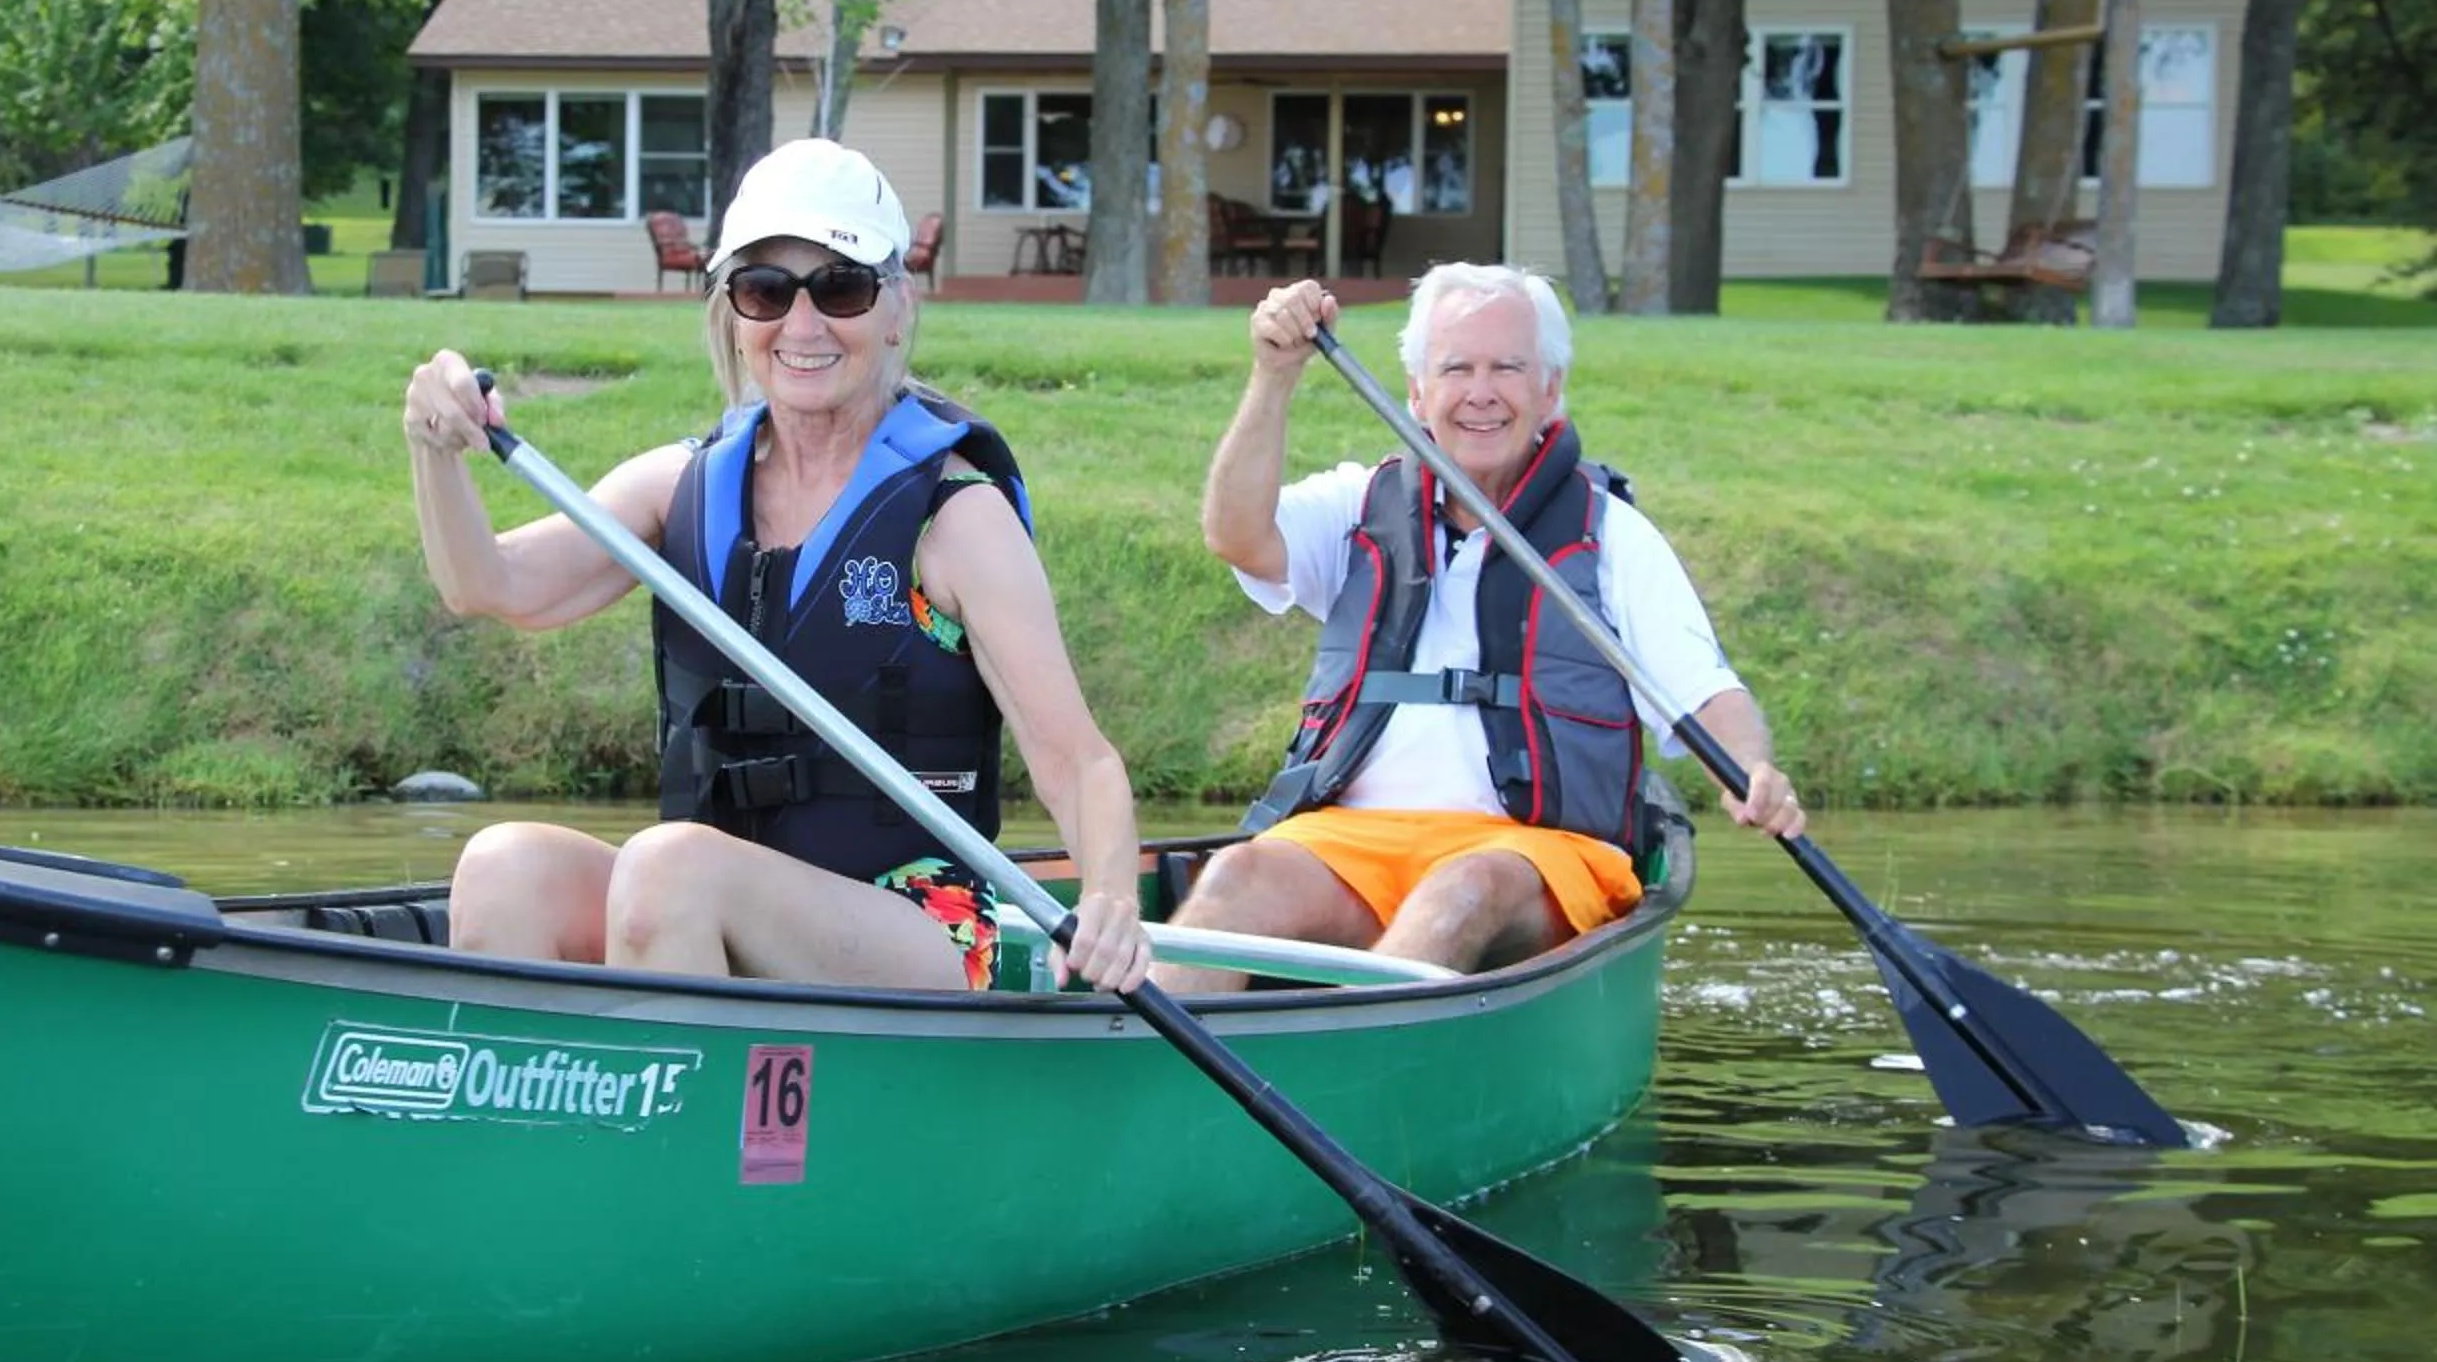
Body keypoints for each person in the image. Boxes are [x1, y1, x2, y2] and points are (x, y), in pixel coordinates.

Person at [402, 137, 1149, 995]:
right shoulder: (680, 486)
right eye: (765, 291)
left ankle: (686, 1078)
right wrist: (436, 451)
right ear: (733, 312)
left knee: (670, 870)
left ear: (896, 308)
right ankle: (562, 1085)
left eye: (841, 288)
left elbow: (1078, 762)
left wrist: (1110, 898)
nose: (802, 326)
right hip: (703, 888)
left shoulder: (955, 518)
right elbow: (488, 585)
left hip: (918, 922)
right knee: (503, 867)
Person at [1155, 266, 1806, 989]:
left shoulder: (1611, 535)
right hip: (1355, 840)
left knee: (1460, 891)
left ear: (1550, 389)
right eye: (1457, 369)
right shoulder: (1359, 504)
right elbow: (1237, 535)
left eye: (1508, 368)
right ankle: (1153, 1061)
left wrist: (1752, 770)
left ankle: (1368, 1049)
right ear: (1416, 392)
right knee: (1233, 878)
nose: (1481, 392)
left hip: (1537, 852)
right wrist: (1274, 376)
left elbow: (1704, 691)